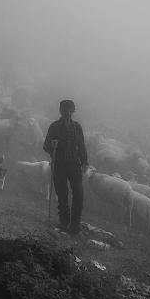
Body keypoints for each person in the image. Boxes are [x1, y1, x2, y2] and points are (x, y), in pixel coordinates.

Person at [43, 100, 88, 235]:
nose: (67, 112)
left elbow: (81, 146)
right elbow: (45, 146)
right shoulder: (54, 127)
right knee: (62, 195)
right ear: (60, 111)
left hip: (75, 165)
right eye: (64, 110)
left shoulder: (77, 127)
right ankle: (64, 223)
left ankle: (74, 225)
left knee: (79, 195)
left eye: (69, 110)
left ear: (73, 111)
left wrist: (84, 162)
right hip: (59, 165)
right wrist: (52, 145)